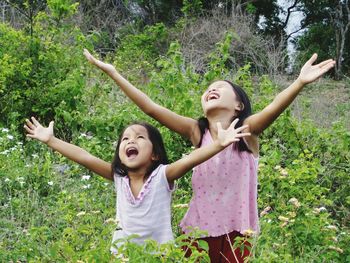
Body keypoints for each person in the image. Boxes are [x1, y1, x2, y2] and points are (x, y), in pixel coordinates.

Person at [84, 49, 336, 261]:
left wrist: (299, 83)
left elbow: (272, 108)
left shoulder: (245, 132)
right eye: (208, 89)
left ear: (239, 105)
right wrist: (114, 73)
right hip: (196, 231)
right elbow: (150, 107)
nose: (211, 90)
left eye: (220, 88)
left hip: (238, 231)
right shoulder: (197, 132)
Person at [24, 116, 250, 255]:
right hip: (122, 254)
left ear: (155, 154)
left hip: (159, 255)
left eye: (140, 138)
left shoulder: (164, 175)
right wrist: (51, 140)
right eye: (125, 139)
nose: (131, 141)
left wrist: (219, 144)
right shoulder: (118, 178)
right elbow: (84, 157)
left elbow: (191, 159)